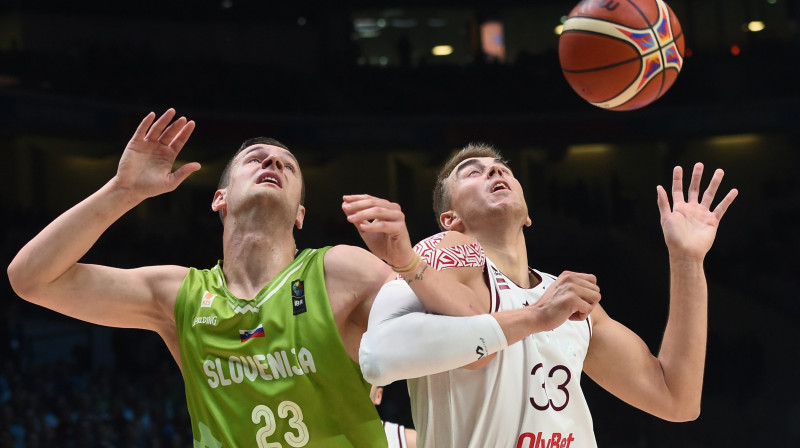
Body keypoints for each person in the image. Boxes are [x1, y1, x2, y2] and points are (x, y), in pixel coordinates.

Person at [6, 108, 394, 447]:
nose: (272, 164)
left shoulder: (341, 271)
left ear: (300, 215)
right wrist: (123, 191)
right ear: (219, 199)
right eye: (255, 159)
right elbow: (33, 279)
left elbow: (448, 327)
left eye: (287, 165)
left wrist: (408, 265)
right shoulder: (180, 295)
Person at [342, 142, 738, 448]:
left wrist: (687, 261)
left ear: (528, 214)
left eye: (502, 169)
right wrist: (537, 315)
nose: (493, 170)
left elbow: (677, 400)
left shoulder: (567, 299)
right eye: (472, 173)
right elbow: (378, 357)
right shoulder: (437, 256)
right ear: (451, 219)